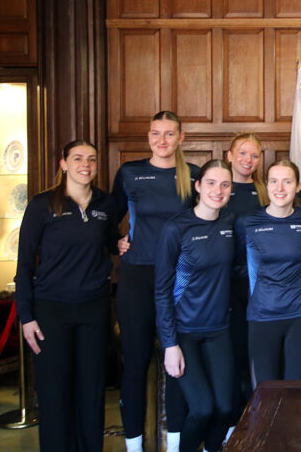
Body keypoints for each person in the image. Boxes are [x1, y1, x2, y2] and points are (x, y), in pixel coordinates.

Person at [15, 140, 119, 452]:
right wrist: (26, 317)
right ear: (63, 164)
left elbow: (111, 242)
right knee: (54, 394)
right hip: (51, 311)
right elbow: (24, 263)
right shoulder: (42, 205)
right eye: (77, 158)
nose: (85, 165)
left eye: (91, 159)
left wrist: (123, 244)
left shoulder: (106, 204)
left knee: (91, 392)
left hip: (94, 309)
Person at [112, 111, 199, 452]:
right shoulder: (130, 172)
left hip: (180, 278)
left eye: (169, 134)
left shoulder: (193, 175)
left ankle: (174, 443)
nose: (162, 140)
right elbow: (108, 218)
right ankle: (134, 445)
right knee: (135, 363)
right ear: (148, 136)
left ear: (181, 138)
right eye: (155, 133)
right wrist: (116, 243)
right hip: (137, 275)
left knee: (177, 363)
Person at [155, 160, 236, 452]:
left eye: (225, 185)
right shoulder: (176, 228)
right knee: (201, 409)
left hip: (219, 330)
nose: (218, 190)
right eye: (211, 183)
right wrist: (169, 344)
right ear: (198, 186)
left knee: (226, 408)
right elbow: (162, 290)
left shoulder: (230, 223)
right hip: (184, 332)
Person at [235, 160, 301, 385]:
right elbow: (238, 266)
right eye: (274, 181)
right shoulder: (248, 222)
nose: (280, 188)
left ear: (298, 186)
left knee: (297, 390)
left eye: (287, 182)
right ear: (266, 185)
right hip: (262, 314)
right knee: (266, 391)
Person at [223, 133, 267, 438]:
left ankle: (258, 422)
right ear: (229, 156)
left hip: (257, 285)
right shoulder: (219, 188)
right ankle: (231, 426)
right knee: (231, 355)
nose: (247, 160)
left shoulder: (263, 192)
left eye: (254, 155)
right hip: (223, 285)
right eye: (242, 153)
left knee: (255, 354)